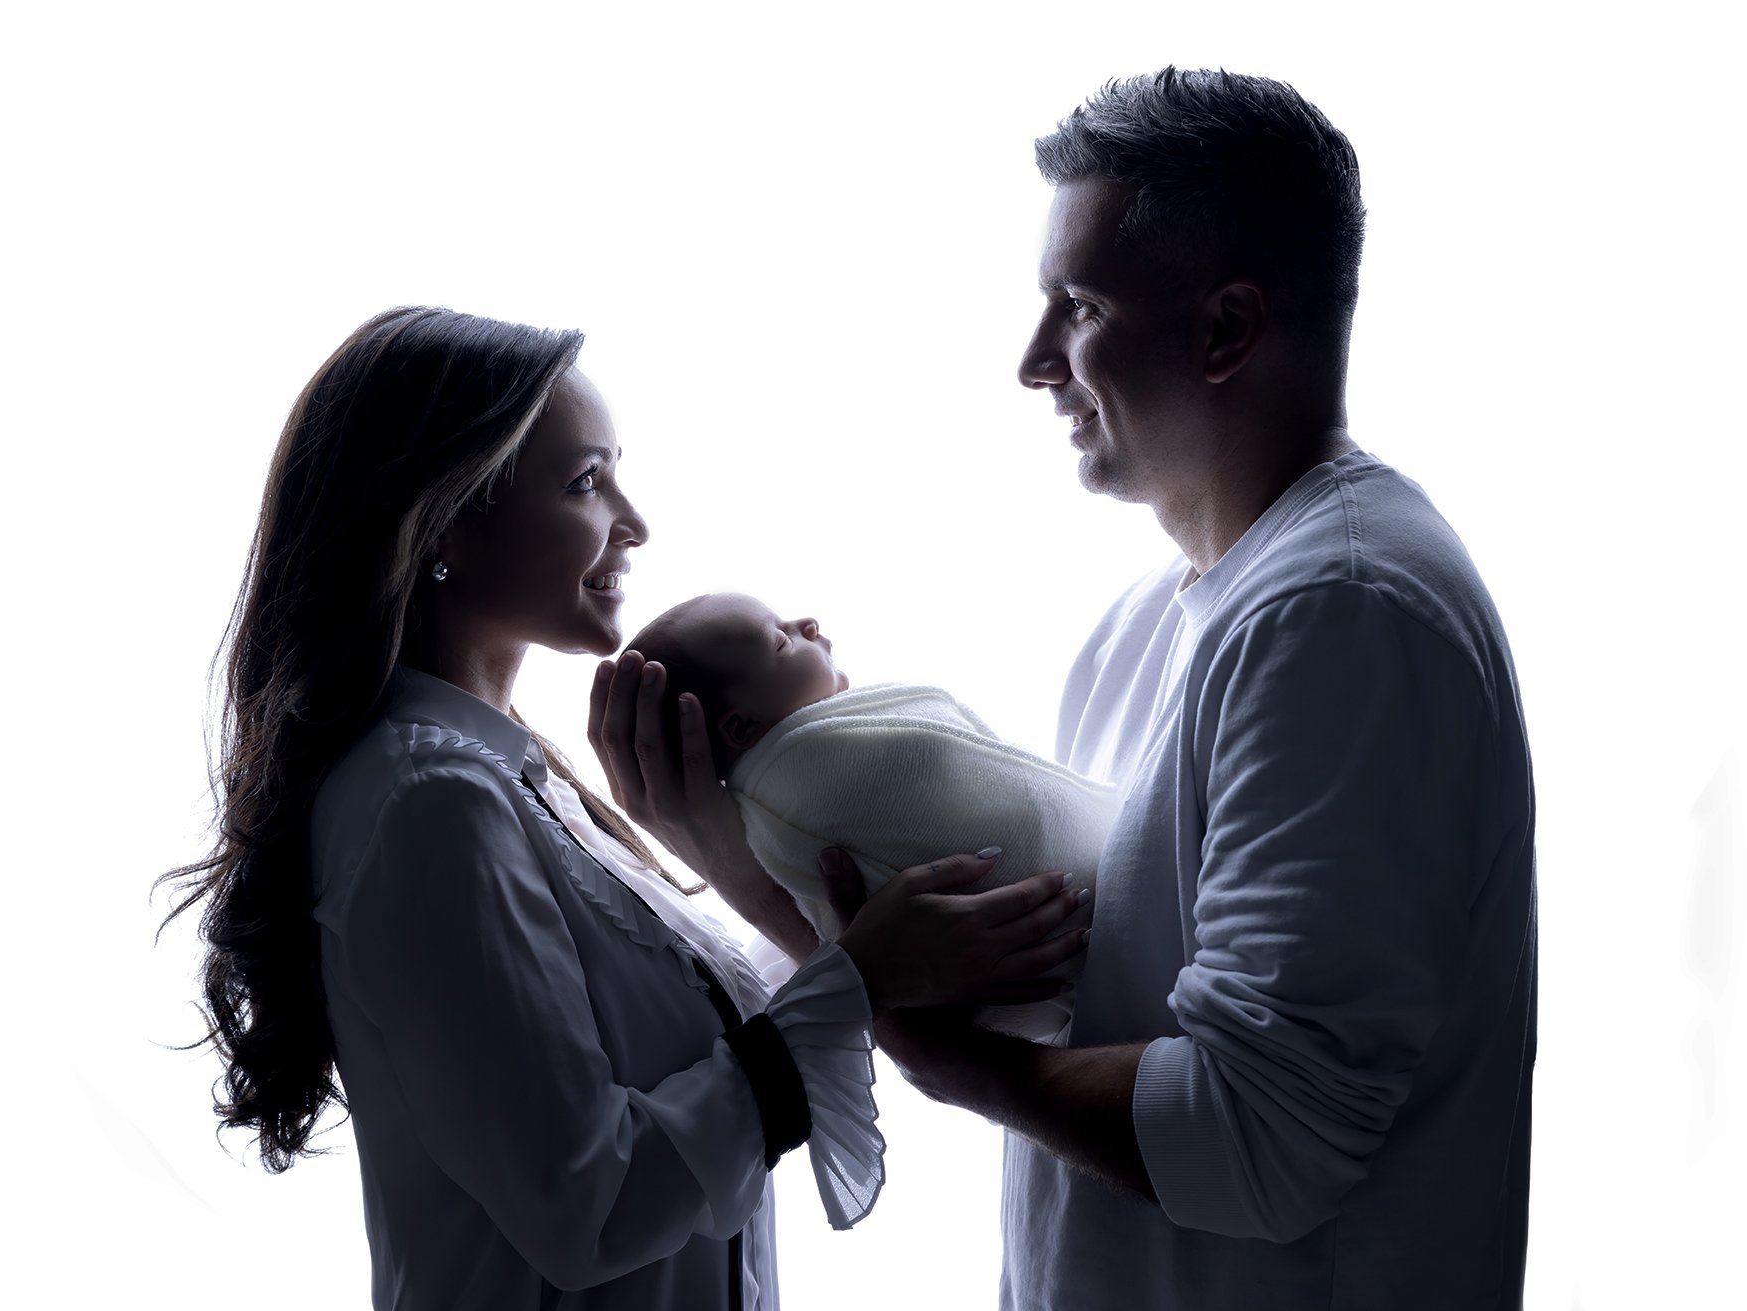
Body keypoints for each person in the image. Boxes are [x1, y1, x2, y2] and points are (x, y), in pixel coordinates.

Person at [596, 68, 1536, 1310]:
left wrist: (942, 1063)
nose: (1033, 361)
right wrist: (747, 869)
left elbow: (1262, 1140)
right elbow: (1039, 999)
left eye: (1078, 305)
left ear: (1226, 329)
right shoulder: (1150, 621)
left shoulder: (1343, 615)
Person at [157, 307, 1089, 1311]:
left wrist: (803, 901)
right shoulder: (428, 802)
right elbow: (588, 1204)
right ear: (444, 528)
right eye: (585, 483)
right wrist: (863, 978)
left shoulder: (513, 783)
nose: (634, 523)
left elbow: (698, 1064)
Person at [625, 592, 1112, 1040]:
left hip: (1052, 985)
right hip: (1083, 918)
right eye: (780, 640)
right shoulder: (805, 775)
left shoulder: (760, 814)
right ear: (741, 725)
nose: (807, 624)